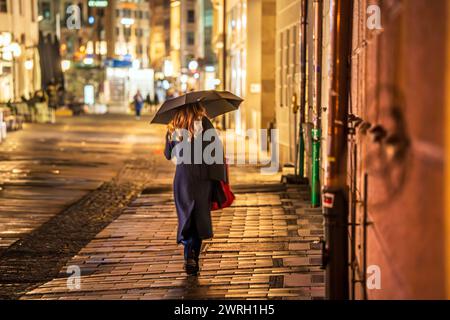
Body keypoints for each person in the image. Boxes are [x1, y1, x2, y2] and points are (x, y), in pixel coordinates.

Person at [164, 103, 227, 275]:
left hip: (182, 177)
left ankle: (189, 254)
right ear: (197, 108)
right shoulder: (204, 123)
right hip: (201, 177)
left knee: (186, 216)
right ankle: (192, 257)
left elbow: (168, 154)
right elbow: (216, 149)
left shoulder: (173, 125)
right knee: (198, 217)